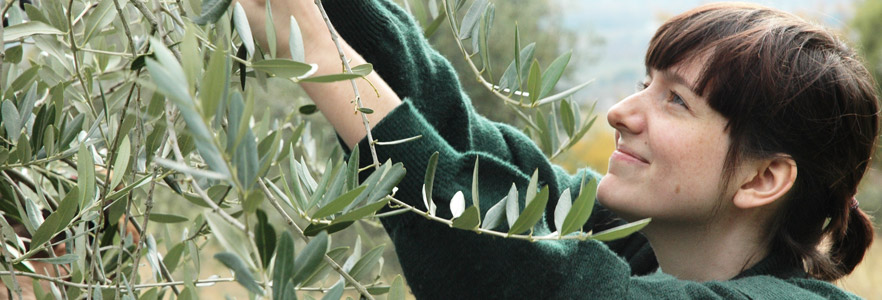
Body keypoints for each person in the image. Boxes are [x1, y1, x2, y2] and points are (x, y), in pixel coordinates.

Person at [238, 0, 879, 298]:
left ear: (764, 178)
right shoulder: (627, 238)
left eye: (676, 101)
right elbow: (460, 139)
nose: (621, 114)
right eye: (641, 86)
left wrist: (323, 62)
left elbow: (539, 286)